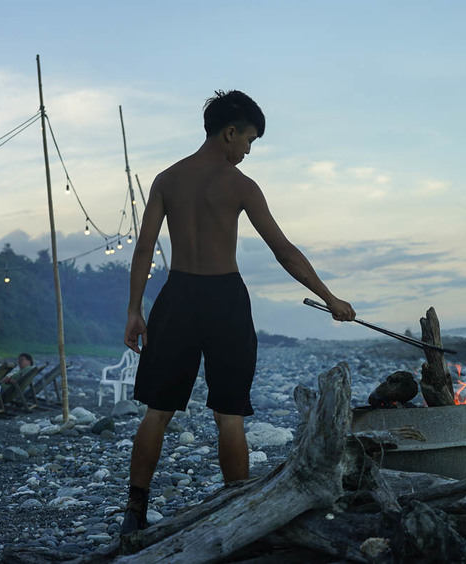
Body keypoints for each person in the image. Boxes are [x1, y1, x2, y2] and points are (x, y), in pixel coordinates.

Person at [121, 90, 355, 534]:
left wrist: (135, 310)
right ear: (229, 133)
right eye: (248, 140)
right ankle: (239, 514)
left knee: (158, 411)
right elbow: (283, 251)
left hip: (177, 298)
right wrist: (329, 298)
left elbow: (144, 249)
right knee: (229, 415)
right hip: (225, 300)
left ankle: (134, 513)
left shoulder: (167, 179)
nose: (248, 150)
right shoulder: (241, 185)